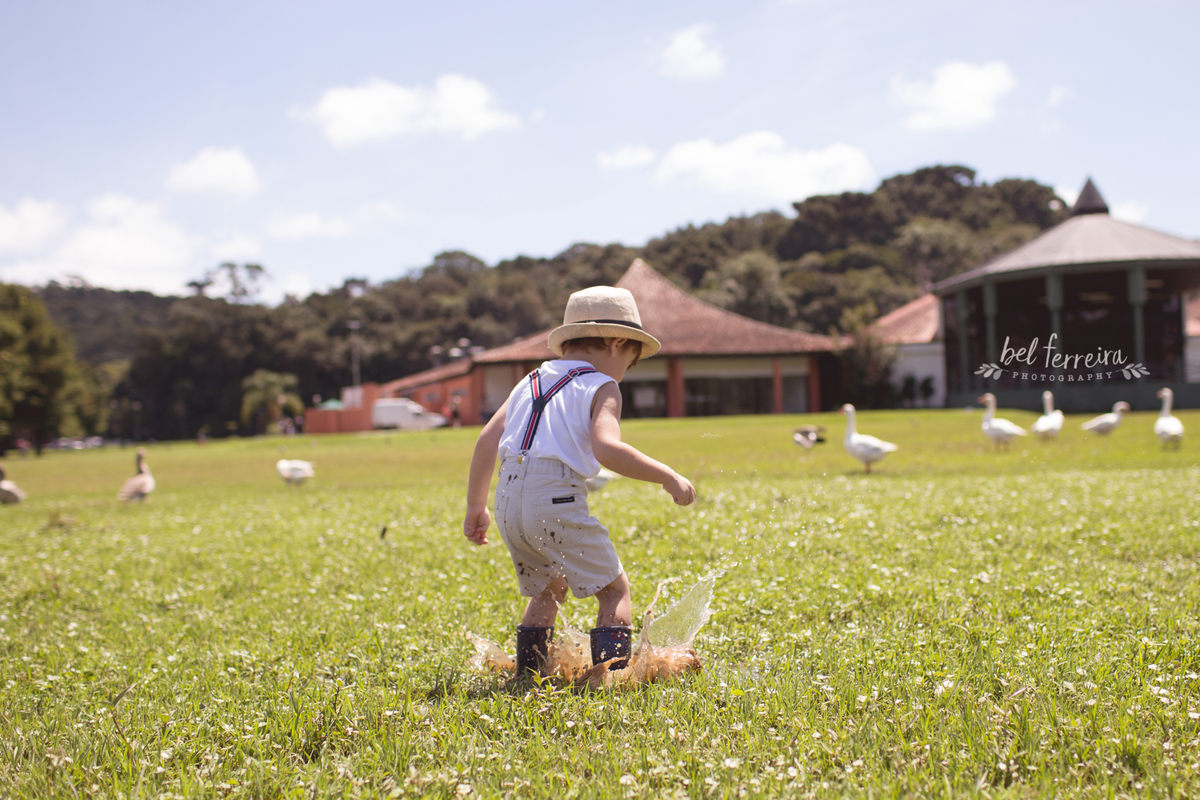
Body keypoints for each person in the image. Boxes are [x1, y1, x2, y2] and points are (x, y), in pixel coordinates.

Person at [464, 286, 696, 677]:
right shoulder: (601, 386)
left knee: (549, 587)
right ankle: (611, 677)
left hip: (508, 500)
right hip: (554, 496)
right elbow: (607, 449)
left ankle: (529, 673)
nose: (624, 371)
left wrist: (476, 505)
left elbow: (487, 440)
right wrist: (668, 476)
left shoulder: (530, 380)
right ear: (618, 342)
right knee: (615, 589)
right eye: (630, 361)